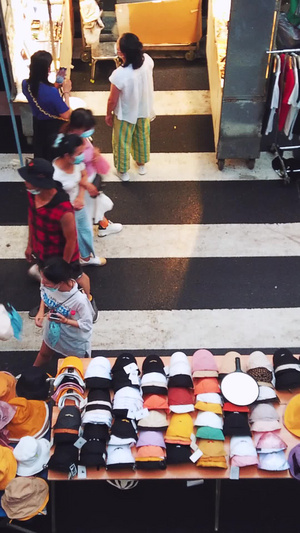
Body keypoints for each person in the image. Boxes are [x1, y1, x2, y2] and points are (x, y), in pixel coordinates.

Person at [17, 157, 98, 321]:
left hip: (63, 256)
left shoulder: (63, 209)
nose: (25, 182)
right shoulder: (33, 195)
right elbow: (31, 217)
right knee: (46, 279)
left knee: (78, 277)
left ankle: (88, 299)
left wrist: (64, 266)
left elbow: (71, 240)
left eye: (29, 179)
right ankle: (47, 302)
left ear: (39, 182)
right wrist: (30, 245)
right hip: (42, 250)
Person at [63, 108, 123, 237]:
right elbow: (73, 170)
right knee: (88, 212)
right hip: (83, 186)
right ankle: (84, 247)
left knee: (96, 206)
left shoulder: (76, 138)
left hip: (87, 183)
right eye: (86, 128)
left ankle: (104, 225)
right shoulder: (72, 145)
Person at [105, 33, 155, 182]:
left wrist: (108, 114)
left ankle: (123, 171)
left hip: (126, 113)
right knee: (142, 136)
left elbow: (112, 100)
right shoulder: (147, 61)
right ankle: (141, 164)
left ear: (122, 53)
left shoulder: (119, 75)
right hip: (144, 108)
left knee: (122, 141)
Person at [52, 133, 106, 266]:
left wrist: (81, 197)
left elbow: (83, 175)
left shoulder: (76, 162)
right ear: (67, 156)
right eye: (79, 153)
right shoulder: (55, 174)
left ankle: (86, 257)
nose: (82, 156)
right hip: (65, 212)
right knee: (68, 238)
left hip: (78, 206)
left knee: (85, 230)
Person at [34, 257, 93, 366]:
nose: (42, 283)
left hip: (74, 339)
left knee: (78, 365)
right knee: (44, 354)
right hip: (53, 331)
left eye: (46, 282)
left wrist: (66, 321)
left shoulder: (80, 300)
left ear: (60, 282)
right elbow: (44, 293)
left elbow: (87, 325)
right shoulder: (47, 283)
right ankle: (32, 374)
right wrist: (41, 311)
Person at [22, 50, 72, 161]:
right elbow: (66, 115)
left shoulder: (25, 84)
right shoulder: (52, 93)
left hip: (38, 124)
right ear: (48, 70)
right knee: (53, 155)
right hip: (53, 127)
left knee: (41, 151)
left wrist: (56, 85)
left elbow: (42, 95)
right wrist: (66, 92)